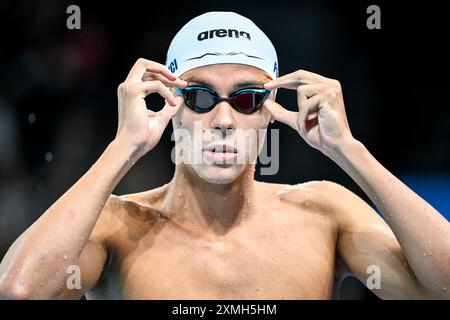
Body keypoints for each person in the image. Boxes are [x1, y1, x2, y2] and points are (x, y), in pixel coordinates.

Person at [0, 12, 449, 300]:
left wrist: (350, 152)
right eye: (198, 97)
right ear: (169, 104)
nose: (223, 119)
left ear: (270, 113)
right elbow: (19, 292)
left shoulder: (323, 213)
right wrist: (124, 148)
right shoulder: (119, 223)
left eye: (247, 99)